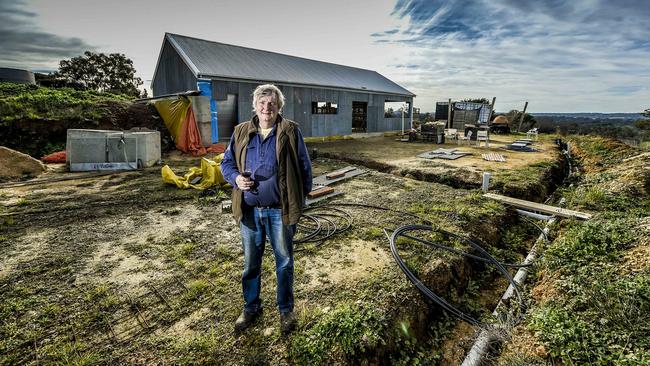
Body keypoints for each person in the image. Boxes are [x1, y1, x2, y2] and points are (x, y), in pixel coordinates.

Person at [220, 84, 312, 334]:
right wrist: (235, 179)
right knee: (251, 263)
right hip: (249, 212)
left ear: (279, 106)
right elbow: (226, 163)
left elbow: (304, 167)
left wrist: (299, 198)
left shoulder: (290, 130)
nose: (266, 107)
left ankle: (286, 310)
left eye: (272, 103)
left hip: (279, 211)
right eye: (262, 102)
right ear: (255, 106)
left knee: (284, 262)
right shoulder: (241, 132)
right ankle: (251, 307)